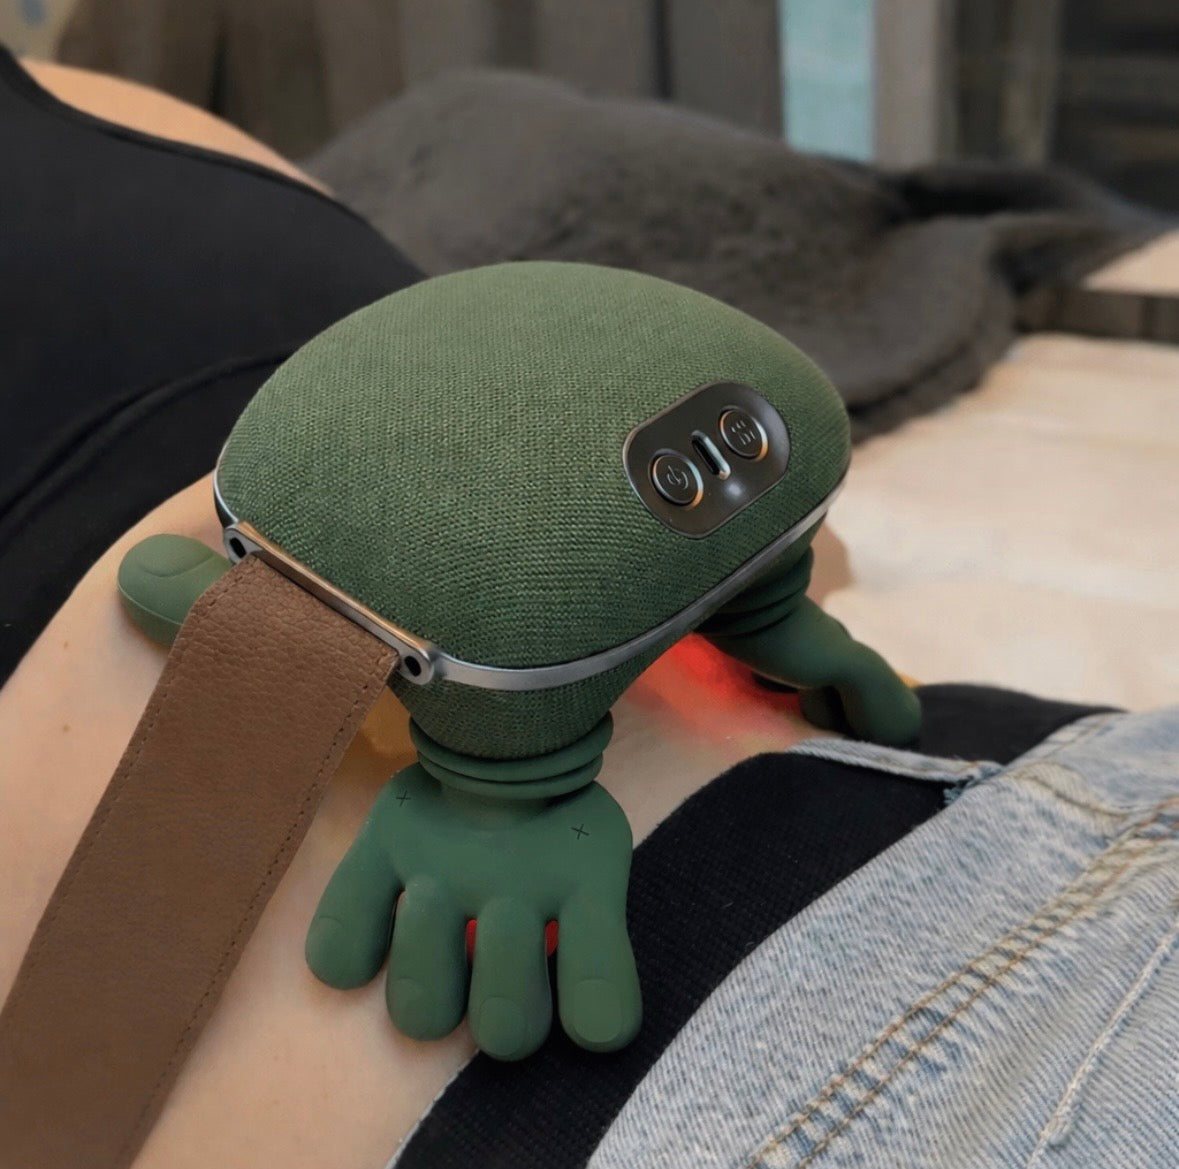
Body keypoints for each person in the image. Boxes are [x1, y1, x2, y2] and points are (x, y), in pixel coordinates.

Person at [1, 51, 1173, 1169]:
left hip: (1031, 833)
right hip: (969, 886)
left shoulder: (87, 116)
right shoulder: (111, 132)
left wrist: (739, 598)